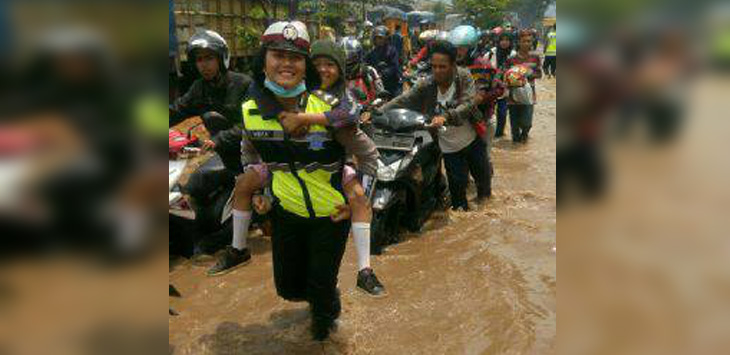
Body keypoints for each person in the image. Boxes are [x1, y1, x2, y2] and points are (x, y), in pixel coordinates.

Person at [239, 21, 366, 341]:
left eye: (295, 58)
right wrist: (263, 190)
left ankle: (324, 325)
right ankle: (318, 296)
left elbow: (368, 153)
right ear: (263, 61)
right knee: (288, 287)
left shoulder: (329, 106)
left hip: (331, 214)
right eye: (278, 55)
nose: (286, 63)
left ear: (304, 66)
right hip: (286, 214)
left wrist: (357, 197)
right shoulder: (251, 110)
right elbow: (250, 154)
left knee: (321, 293)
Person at [372, 40, 490, 210]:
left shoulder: (464, 77)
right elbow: (404, 99)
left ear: (453, 65)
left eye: (442, 67)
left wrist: (446, 117)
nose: (437, 71)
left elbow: (469, 103)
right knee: (458, 201)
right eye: (433, 66)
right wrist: (378, 112)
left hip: (473, 141)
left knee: (484, 189)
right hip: (449, 149)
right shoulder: (426, 84)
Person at [170, 30, 252, 173]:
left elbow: (251, 124)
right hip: (225, 155)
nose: (203, 64)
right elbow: (176, 110)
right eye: (199, 60)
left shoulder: (243, 84)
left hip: (252, 156)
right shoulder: (199, 88)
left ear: (221, 58)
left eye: (208, 58)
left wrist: (219, 140)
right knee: (192, 188)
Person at [504, 30, 543, 143]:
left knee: (527, 124)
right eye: (524, 41)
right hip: (513, 97)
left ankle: (525, 136)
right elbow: (504, 74)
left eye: (529, 41)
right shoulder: (511, 59)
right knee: (514, 128)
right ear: (519, 42)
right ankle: (516, 147)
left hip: (529, 96)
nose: (527, 43)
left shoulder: (535, 58)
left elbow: (539, 74)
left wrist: (528, 74)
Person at [342, 36, 387, 104]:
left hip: (368, 111)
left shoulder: (370, 71)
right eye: (344, 56)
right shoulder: (336, 75)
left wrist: (377, 102)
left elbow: (382, 95)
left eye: (351, 57)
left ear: (358, 55)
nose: (347, 60)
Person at [490, 32, 516, 138]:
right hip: (491, 87)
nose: (504, 42)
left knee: (502, 112)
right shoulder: (492, 53)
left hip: (506, 88)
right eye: (502, 39)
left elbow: (517, 71)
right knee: (489, 113)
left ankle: (499, 133)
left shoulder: (513, 54)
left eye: (507, 40)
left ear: (510, 42)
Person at [366, 25, 401, 97]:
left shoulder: (392, 51)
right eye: (376, 38)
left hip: (392, 84)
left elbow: (395, 67)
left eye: (381, 38)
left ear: (386, 38)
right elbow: (365, 64)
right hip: (376, 85)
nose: (379, 40)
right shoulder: (371, 53)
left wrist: (383, 73)